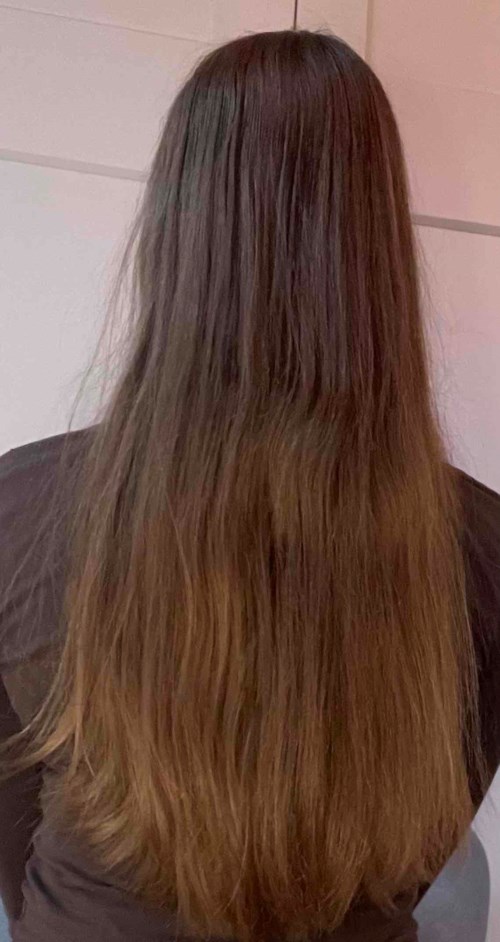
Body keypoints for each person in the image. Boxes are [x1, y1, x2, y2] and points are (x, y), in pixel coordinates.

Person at [0, 28, 499, 942]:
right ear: (379, 249)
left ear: (173, 232)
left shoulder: (17, 508)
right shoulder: (483, 543)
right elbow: (427, 845)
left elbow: (11, 829)